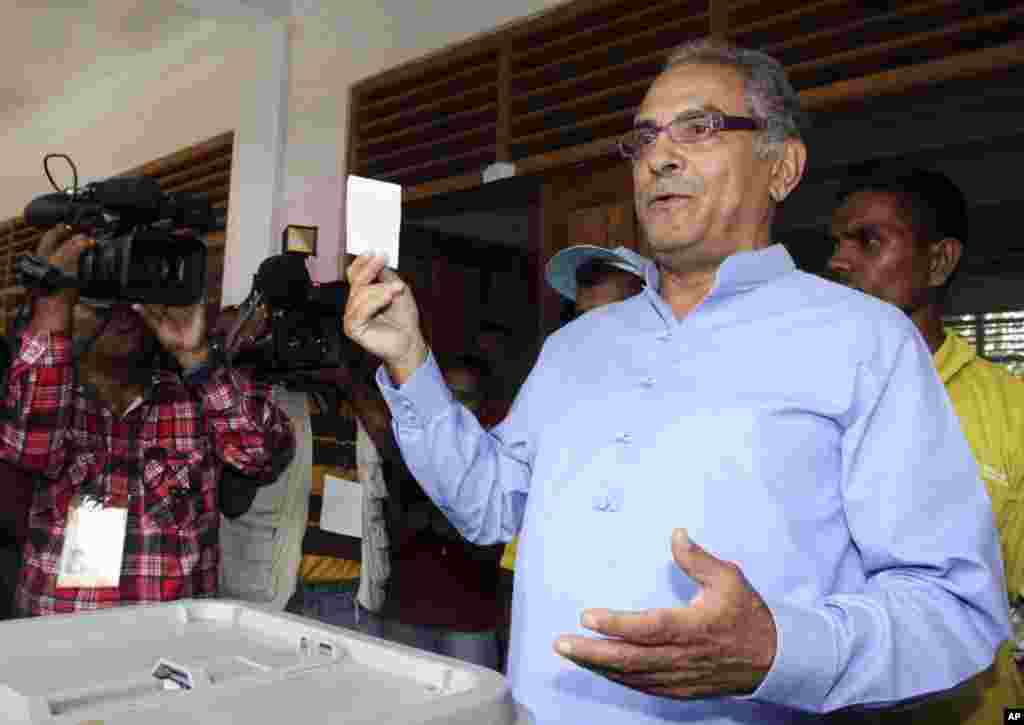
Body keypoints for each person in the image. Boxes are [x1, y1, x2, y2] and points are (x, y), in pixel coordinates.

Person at [341, 37, 1009, 724]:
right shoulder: (577, 346)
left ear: (782, 166)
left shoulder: (867, 342)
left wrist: (777, 648)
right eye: (644, 137)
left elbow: (954, 610)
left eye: (700, 127)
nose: (660, 156)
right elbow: (489, 504)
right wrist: (410, 360)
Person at [0, 225, 295, 615]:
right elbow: (28, 446)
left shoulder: (196, 396)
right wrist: (51, 304)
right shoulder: (50, 394)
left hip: (171, 647)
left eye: (135, 300)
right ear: (67, 311)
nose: (123, 313)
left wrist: (197, 358)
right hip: (59, 644)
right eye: (102, 302)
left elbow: (264, 455)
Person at [827, 166, 1024, 723]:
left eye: (868, 241)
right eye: (836, 243)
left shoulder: (1012, 409)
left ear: (938, 262)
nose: (838, 262)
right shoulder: (797, 396)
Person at [498, 243, 651, 667]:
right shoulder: (557, 373)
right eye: (583, 318)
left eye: (609, 317)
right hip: (553, 619)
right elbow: (503, 487)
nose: (591, 333)